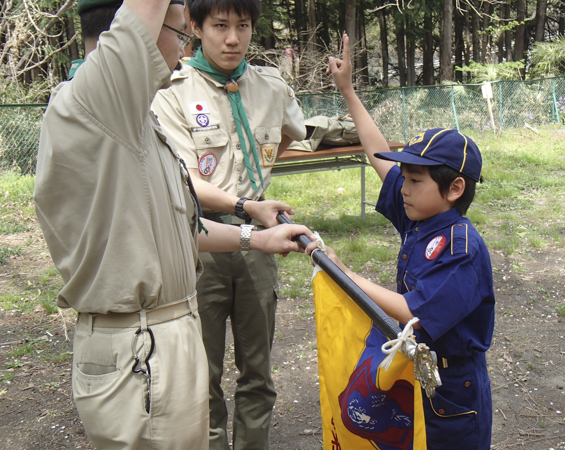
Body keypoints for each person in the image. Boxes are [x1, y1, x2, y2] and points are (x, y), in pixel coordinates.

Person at [33, 1, 311, 448]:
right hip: (140, 345)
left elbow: (181, 225)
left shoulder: (134, 124)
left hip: (156, 336)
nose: (184, 49)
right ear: (133, 33)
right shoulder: (96, 101)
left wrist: (255, 238)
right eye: (182, 32)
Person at [305, 34, 495, 449]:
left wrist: (344, 275)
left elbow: (413, 310)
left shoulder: (460, 246)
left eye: (414, 180)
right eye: (404, 178)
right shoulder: (420, 215)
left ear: (454, 188)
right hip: (415, 374)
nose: (403, 188)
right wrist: (348, 91)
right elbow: (377, 154)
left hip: (453, 391)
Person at [151, 1, 306, 448]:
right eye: (220, 26)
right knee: (203, 372)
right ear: (195, 27)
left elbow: (293, 132)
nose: (233, 38)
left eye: (243, 26)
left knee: (258, 370)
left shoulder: (270, 86)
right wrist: (244, 206)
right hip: (199, 240)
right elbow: (183, 181)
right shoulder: (172, 89)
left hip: (261, 241)